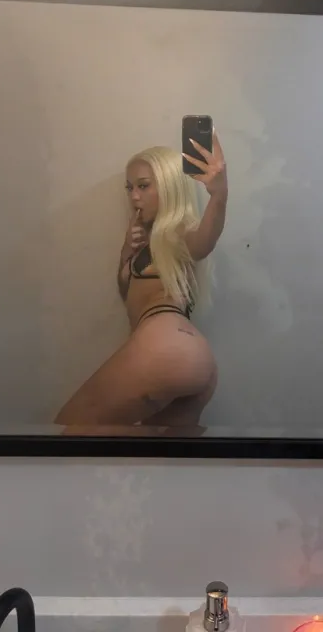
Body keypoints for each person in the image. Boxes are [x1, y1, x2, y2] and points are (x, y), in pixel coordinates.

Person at [55, 131, 227, 430]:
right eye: (130, 187)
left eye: (144, 186)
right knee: (158, 456)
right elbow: (127, 292)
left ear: (170, 187)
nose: (134, 196)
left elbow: (203, 243)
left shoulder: (177, 232)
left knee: (66, 430)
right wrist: (126, 253)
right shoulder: (149, 242)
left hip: (165, 347)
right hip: (195, 357)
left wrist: (219, 196)